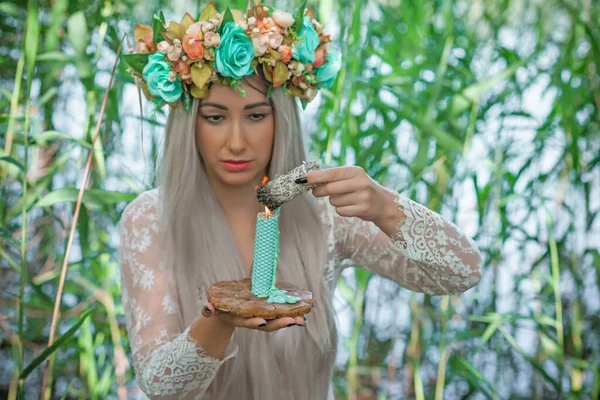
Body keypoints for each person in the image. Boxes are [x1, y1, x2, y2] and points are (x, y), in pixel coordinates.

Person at [119, 3, 482, 399]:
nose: (237, 142)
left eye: (256, 116)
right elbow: (160, 386)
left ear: (283, 120)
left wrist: (383, 206)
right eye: (216, 117)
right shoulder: (150, 219)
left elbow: (461, 274)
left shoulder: (323, 212)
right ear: (189, 123)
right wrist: (218, 320)